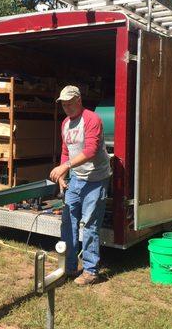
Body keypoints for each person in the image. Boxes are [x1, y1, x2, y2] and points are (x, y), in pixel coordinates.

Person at [50, 85, 112, 286]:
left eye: (69, 103)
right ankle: (68, 267)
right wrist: (63, 174)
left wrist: (64, 167)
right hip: (76, 179)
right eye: (63, 104)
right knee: (68, 222)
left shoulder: (92, 119)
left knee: (90, 225)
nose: (66, 107)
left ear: (79, 101)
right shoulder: (66, 123)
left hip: (96, 179)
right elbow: (66, 151)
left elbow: (91, 150)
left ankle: (91, 271)